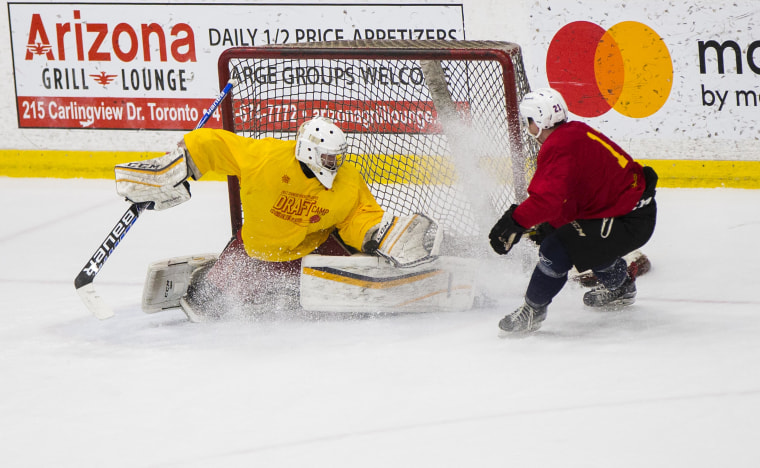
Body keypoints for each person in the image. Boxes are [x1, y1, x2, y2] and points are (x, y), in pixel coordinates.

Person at [114, 116, 438, 321]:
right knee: (206, 305)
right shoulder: (265, 159)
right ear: (309, 151)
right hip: (255, 254)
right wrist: (180, 162)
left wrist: (375, 233)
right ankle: (226, 281)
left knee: (363, 295)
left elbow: (358, 217)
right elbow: (214, 143)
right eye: (329, 157)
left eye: (338, 157)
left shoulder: (347, 180)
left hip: (311, 252)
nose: (335, 163)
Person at [488, 88, 657, 334]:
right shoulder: (574, 132)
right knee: (582, 243)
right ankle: (622, 287)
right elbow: (576, 196)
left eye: (529, 121)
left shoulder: (559, 146)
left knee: (556, 249)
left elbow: (547, 200)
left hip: (627, 219)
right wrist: (551, 225)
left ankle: (532, 312)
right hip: (632, 212)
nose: (529, 127)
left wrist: (515, 221)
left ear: (540, 120)